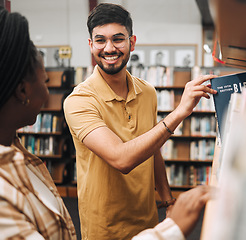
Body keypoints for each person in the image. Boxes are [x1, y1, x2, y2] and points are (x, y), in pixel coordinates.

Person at [63, 3, 217, 240]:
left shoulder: (147, 92)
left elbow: (152, 148)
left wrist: (167, 200)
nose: (110, 48)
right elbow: (121, 158)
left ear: (132, 42)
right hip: (104, 228)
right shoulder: (79, 100)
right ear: (91, 44)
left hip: (148, 221)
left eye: (118, 39)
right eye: (101, 40)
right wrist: (179, 113)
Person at [0, 6, 76, 239]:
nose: (48, 90)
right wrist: (171, 228)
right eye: (46, 81)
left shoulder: (14, 150)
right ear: (23, 90)